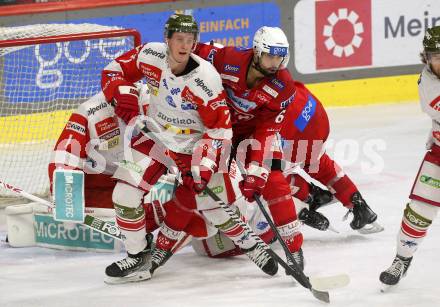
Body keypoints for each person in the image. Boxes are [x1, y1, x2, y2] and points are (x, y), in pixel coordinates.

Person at [101, 14, 277, 284]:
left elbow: (219, 131)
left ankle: (250, 244)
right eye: (179, 39)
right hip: (156, 136)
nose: (185, 46)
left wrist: (204, 167)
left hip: (195, 145)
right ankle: (137, 254)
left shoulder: (205, 79)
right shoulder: (149, 55)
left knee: (213, 206)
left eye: (190, 40)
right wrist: (119, 92)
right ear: (167, 39)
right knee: (124, 193)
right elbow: (114, 71)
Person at [195, 26, 304, 272]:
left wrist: (256, 172)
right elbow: (190, 52)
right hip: (216, 128)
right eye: (269, 56)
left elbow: (267, 130)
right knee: (202, 181)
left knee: (274, 181)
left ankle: (294, 248)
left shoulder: (283, 85)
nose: (275, 63)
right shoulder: (228, 60)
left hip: (252, 134)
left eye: (279, 57)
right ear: (256, 51)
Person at [379, 26, 440, 288]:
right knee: (419, 211)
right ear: (426, 58)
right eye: (435, 56)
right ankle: (402, 259)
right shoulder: (427, 84)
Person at [281, 81, 381, 233]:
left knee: (265, 174)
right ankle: (360, 207)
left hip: (294, 124)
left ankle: (310, 196)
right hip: (313, 110)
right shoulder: (270, 63)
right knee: (318, 163)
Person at [48, 84, 149, 210]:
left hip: (145, 185)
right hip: (98, 189)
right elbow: (65, 157)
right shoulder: (91, 110)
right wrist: (65, 198)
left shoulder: (155, 101)